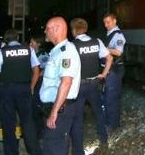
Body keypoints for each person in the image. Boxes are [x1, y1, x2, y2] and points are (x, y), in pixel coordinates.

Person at [0, 29, 43, 155]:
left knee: (8, 124)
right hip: (24, 89)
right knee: (28, 123)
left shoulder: (1, 52)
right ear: (17, 37)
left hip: (6, 91)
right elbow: (36, 71)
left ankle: (11, 152)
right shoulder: (29, 50)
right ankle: (35, 152)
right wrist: (32, 87)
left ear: (5, 40)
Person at [69, 18, 113, 153]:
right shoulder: (97, 42)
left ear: (74, 30)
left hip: (79, 86)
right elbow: (109, 57)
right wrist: (104, 74)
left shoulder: (72, 45)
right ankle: (104, 139)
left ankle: (78, 150)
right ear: (85, 28)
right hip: (94, 84)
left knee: (77, 119)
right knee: (98, 112)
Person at [40, 17, 81, 155]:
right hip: (57, 107)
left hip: (61, 109)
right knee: (50, 146)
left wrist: (54, 112)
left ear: (57, 29)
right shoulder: (57, 51)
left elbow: (66, 82)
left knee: (55, 148)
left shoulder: (66, 52)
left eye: (47, 28)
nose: (45, 31)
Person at [101, 13, 125, 133]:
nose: (106, 25)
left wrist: (103, 49)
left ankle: (112, 125)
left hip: (114, 70)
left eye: (108, 22)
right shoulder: (109, 34)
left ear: (114, 21)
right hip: (110, 70)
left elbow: (119, 52)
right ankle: (109, 122)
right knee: (107, 97)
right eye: (104, 22)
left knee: (111, 98)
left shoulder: (118, 35)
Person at [29, 35, 48, 138]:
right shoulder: (30, 54)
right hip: (32, 82)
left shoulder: (42, 54)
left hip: (39, 83)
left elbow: (46, 69)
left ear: (39, 44)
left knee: (38, 107)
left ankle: (41, 132)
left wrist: (36, 75)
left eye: (33, 43)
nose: (30, 45)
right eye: (30, 43)